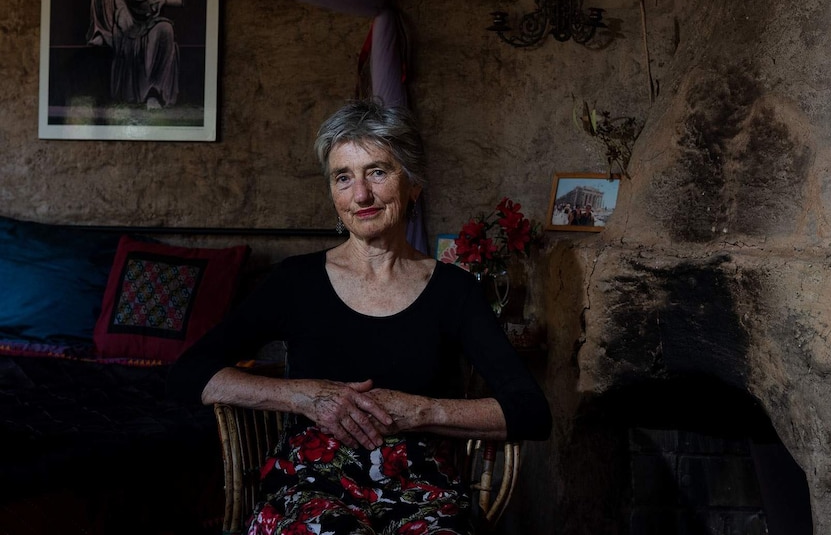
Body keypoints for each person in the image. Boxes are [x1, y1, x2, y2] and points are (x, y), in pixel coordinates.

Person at [168, 99, 552, 535]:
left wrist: (419, 411)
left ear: (414, 185)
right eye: (343, 178)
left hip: (422, 486)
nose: (362, 195)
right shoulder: (295, 282)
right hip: (311, 483)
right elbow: (190, 373)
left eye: (378, 171)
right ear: (333, 193)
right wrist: (303, 396)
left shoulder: (454, 291)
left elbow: (531, 412)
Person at [59, 0, 184, 109]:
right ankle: (102, 32)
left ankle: (154, 92)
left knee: (166, 29)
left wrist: (163, 0)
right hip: (126, 17)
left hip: (153, 20)